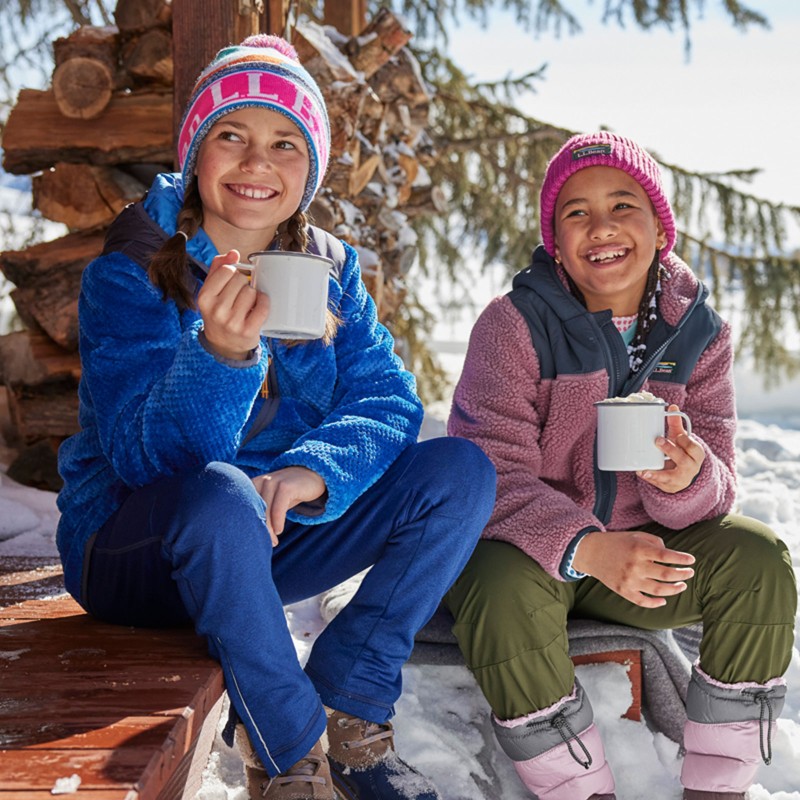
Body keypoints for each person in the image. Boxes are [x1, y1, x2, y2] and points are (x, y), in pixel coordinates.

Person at [55, 34, 496, 800]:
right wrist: (221, 357)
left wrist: (312, 471)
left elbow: (389, 400)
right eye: (233, 135)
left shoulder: (329, 268)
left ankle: (349, 697)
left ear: (310, 169)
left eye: (285, 143)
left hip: (265, 537)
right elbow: (138, 460)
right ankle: (291, 755)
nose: (258, 163)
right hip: (133, 554)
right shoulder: (132, 265)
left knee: (459, 471)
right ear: (198, 151)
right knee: (221, 492)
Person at [445, 131, 796, 800]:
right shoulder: (514, 324)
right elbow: (489, 472)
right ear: (554, 237)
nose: (600, 227)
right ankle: (578, 788)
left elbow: (718, 473)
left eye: (623, 205)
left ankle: (718, 788)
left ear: (660, 224)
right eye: (576, 212)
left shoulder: (699, 333)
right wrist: (587, 548)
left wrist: (688, 479)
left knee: (759, 559)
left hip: (639, 562)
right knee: (492, 579)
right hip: (530, 562)